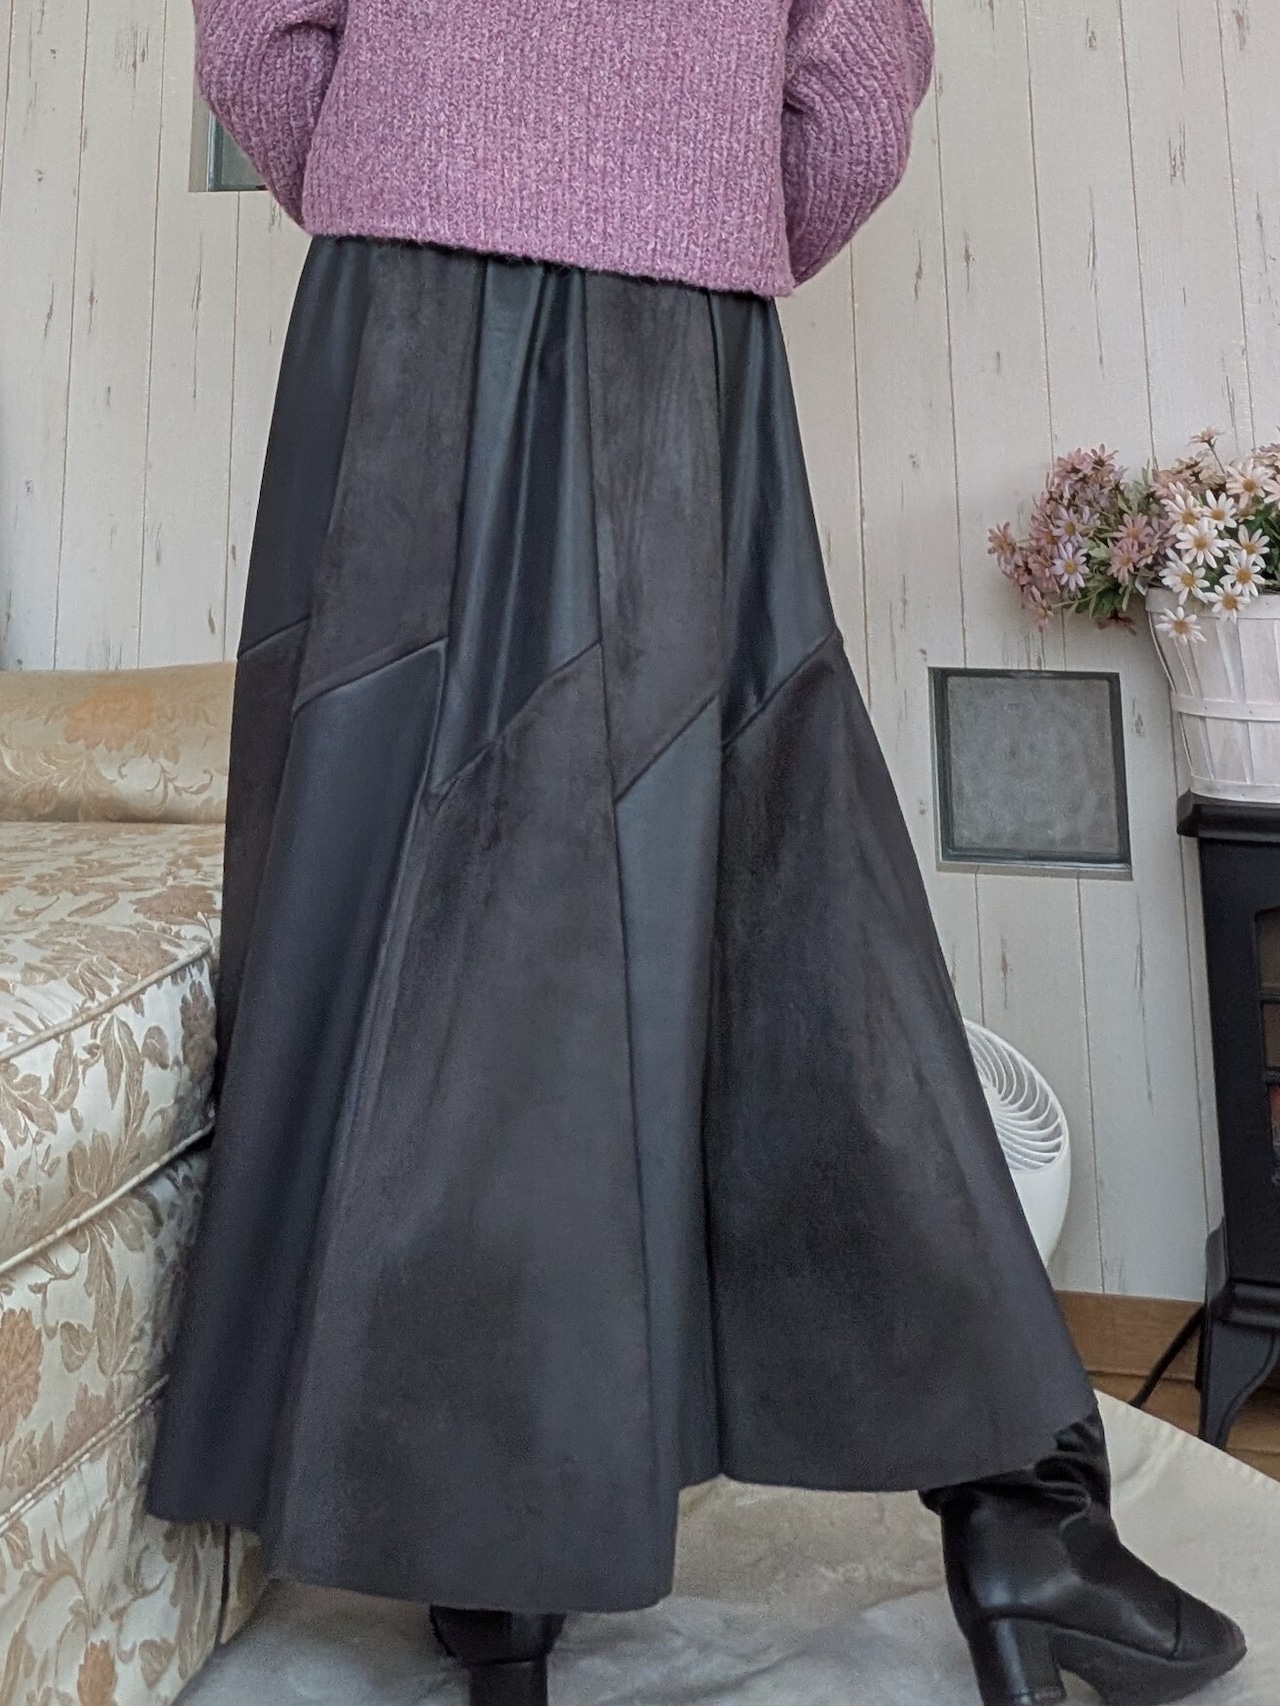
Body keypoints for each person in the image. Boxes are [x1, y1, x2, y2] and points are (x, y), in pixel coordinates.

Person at [148, 5, 1247, 1706]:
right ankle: (1020, 1512)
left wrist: (418, 161)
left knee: (408, 878)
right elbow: (853, 101)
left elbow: (261, 40)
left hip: (398, 306)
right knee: (774, 870)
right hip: (680, 310)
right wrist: (683, 187)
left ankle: (492, 1565)